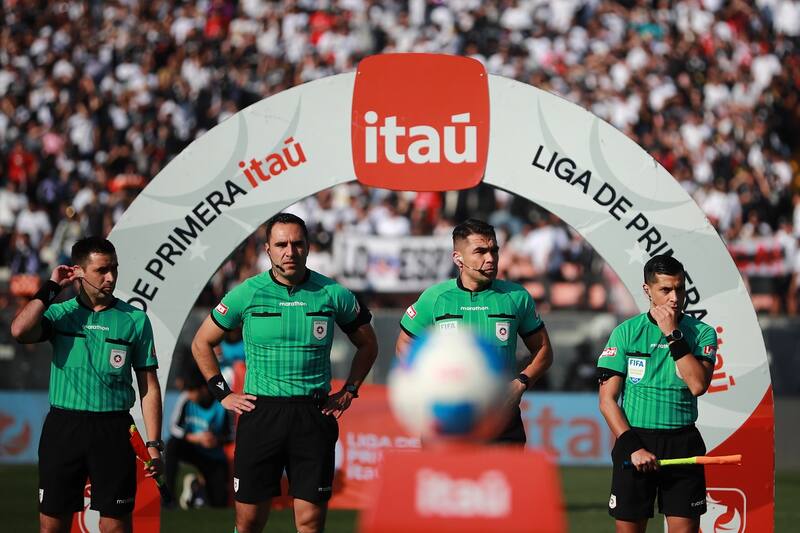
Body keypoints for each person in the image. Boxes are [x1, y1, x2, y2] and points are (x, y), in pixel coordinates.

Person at [191, 212, 378, 533]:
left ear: (307, 247)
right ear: (268, 249)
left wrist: (350, 390)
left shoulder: (332, 293)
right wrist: (222, 392)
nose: (289, 252)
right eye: (281, 245)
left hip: (313, 415)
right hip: (260, 413)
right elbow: (201, 342)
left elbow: (368, 344)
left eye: (297, 244)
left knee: (309, 524)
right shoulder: (247, 293)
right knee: (248, 522)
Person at [10, 236, 163, 533]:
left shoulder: (135, 319)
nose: (111, 277)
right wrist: (52, 287)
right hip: (64, 428)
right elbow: (19, 330)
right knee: (52, 526)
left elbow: (149, 386)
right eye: (102, 270)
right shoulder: (60, 313)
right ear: (79, 272)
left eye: (114, 269)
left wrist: (154, 444)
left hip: (114, 430)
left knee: (115, 527)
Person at [395, 218, 554, 445]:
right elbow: (404, 344)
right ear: (458, 258)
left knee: (502, 482)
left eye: (494, 250)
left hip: (501, 420)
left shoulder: (517, 297)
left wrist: (520, 383)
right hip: (447, 422)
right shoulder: (435, 297)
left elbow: (544, 350)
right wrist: (427, 385)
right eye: (480, 251)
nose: (490, 258)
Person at [597, 254, 717, 533]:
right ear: (647, 290)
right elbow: (607, 401)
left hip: (683, 442)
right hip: (636, 441)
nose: (675, 297)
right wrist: (633, 448)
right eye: (665, 290)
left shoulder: (702, 333)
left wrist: (673, 334)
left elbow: (698, 385)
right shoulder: (625, 333)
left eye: (679, 289)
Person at [165, 362, 234, 510]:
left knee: (219, 503)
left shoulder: (221, 403)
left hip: (213, 456)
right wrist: (195, 438)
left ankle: (196, 488)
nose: (189, 395)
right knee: (172, 445)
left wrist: (216, 440)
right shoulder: (186, 399)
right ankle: (168, 499)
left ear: (203, 389)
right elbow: (173, 427)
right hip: (192, 449)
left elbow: (231, 434)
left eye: (192, 390)